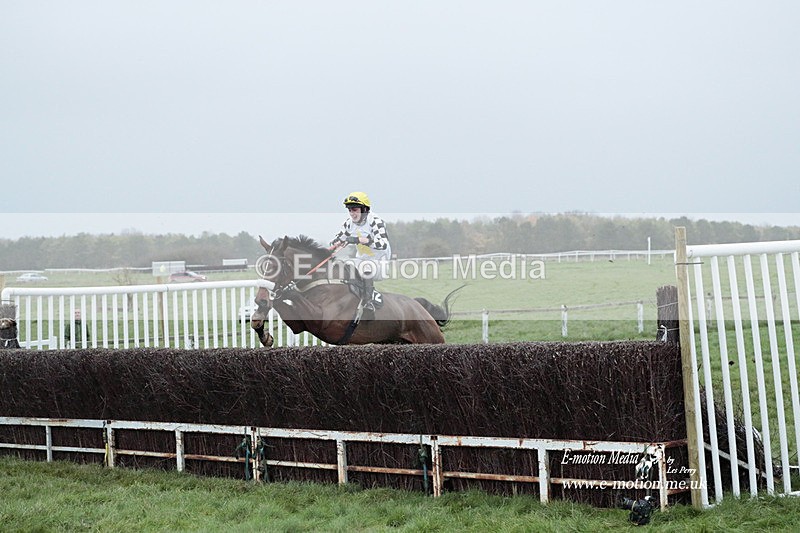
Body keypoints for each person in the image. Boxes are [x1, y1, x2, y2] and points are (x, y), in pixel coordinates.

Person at [330, 191, 392, 317]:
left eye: (355, 209)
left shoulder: (375, 221)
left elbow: (383, 244)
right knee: (342, 266)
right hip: (361, 260)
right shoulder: (349, 224)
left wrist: (358, 240)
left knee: (366, 266)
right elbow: (337, 240)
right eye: (350, 210)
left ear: (364, 209)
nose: (352, 213)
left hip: (380, 263)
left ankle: (369, 303)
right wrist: (330, 248)